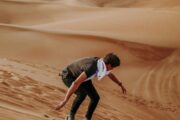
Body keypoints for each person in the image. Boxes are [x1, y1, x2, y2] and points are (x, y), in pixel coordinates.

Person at [55, 53, 127, 120]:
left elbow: (110, 75)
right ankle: (70, 115)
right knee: (82, 94)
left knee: (95, 98)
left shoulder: (102, 64)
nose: (113, 69)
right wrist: (64, 101)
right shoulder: (92, 67)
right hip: (69, 76)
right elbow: (76, 83)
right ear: (109, 65)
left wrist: (120, 84)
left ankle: (87, 118)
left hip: (83, 77)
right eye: (113, 67)